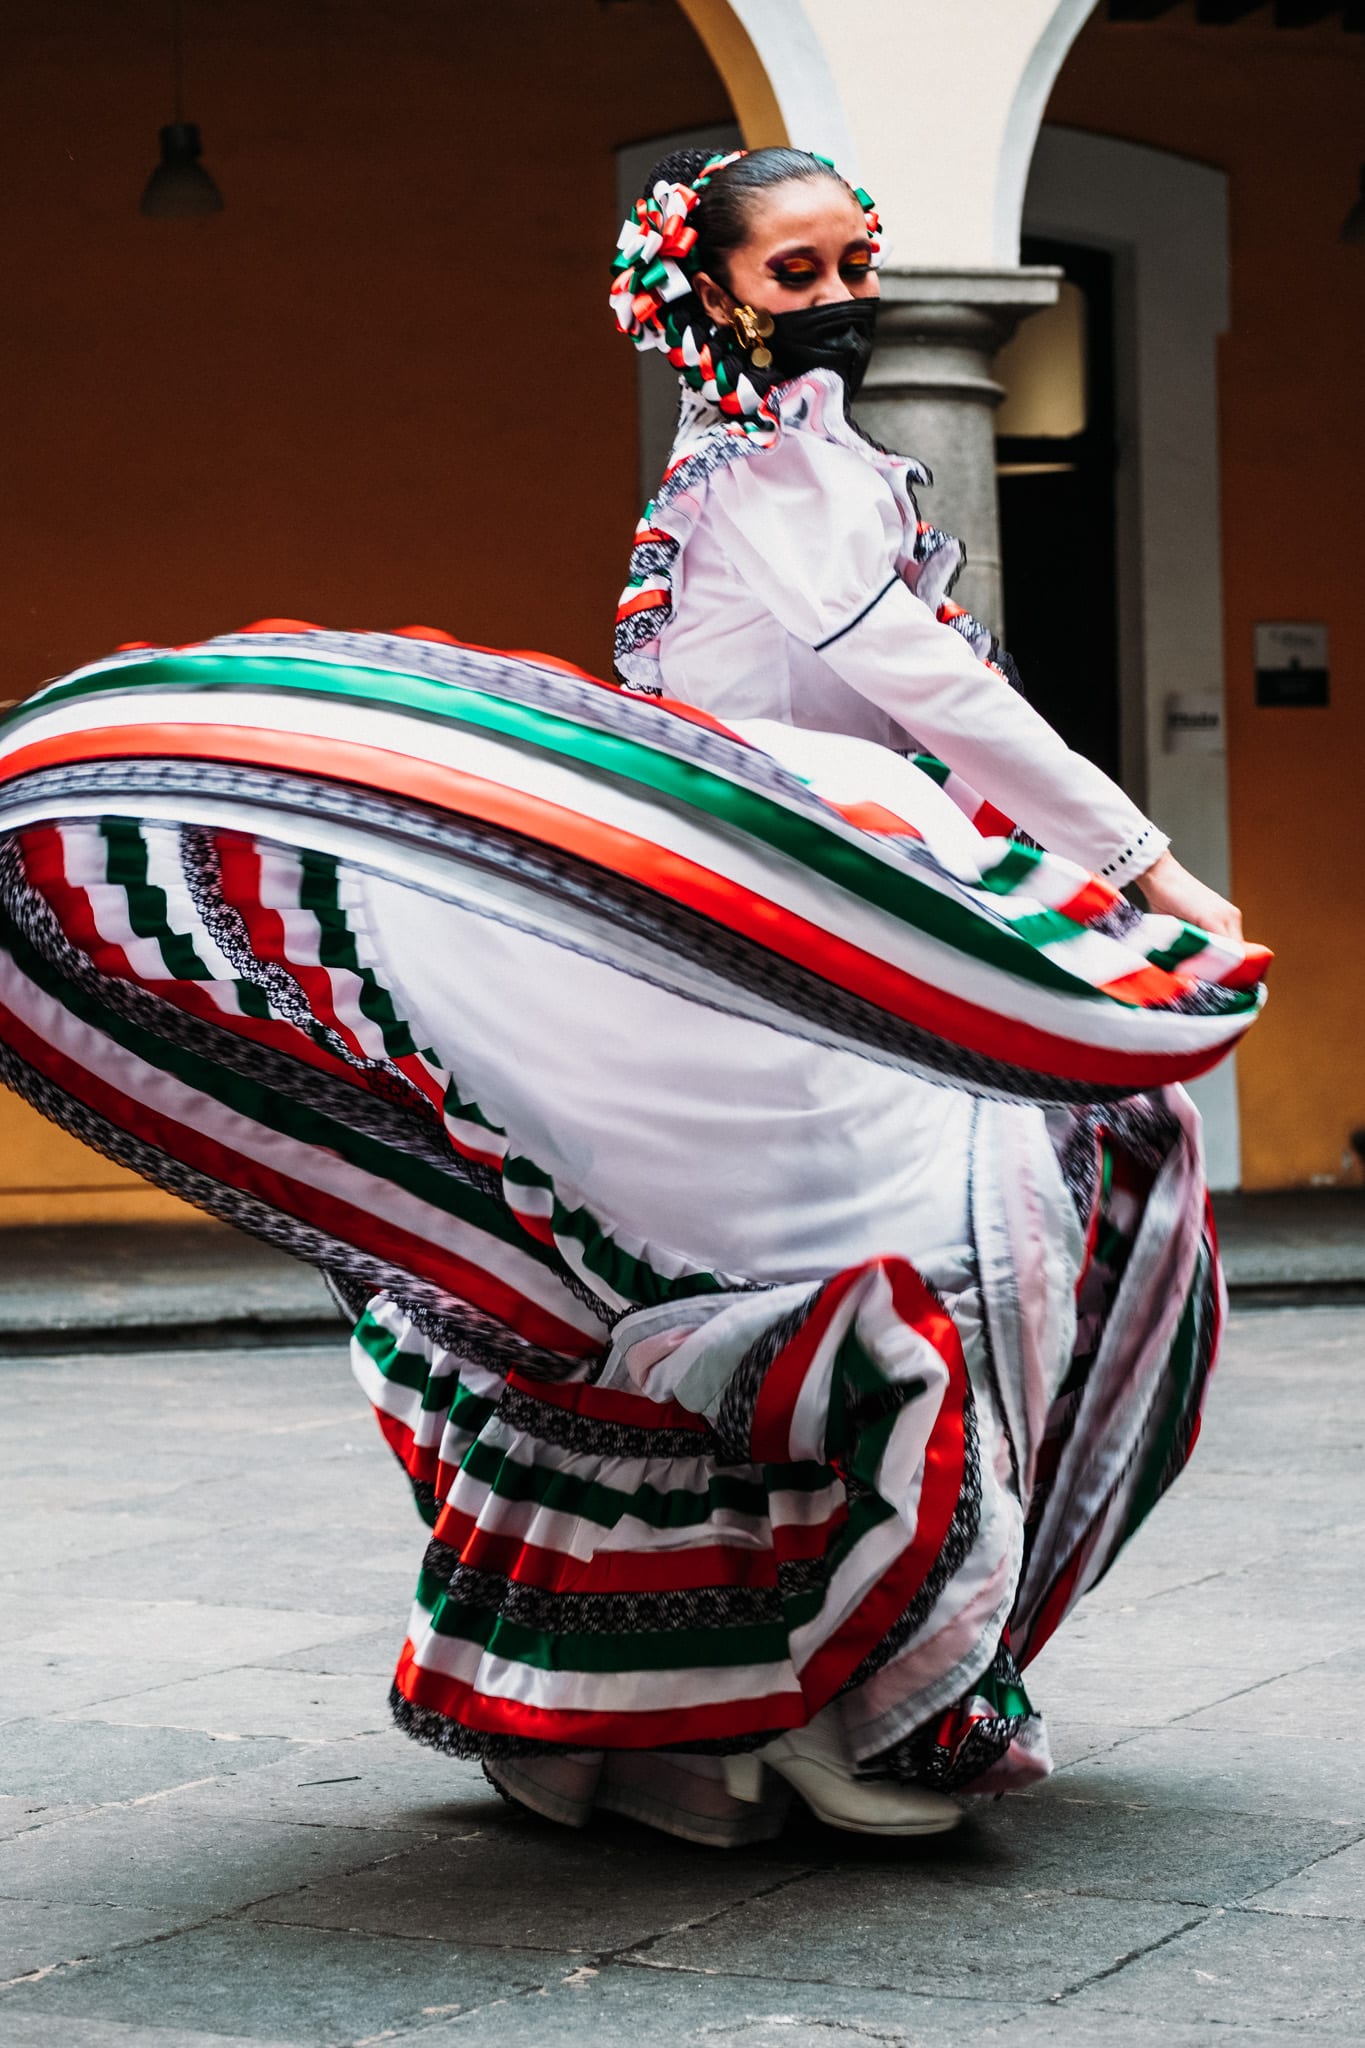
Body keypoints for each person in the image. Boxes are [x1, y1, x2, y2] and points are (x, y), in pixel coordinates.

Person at [0, 149, 1264, 1852]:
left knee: (906, 1259)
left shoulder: (784, 456)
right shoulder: (766, 477)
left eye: (853, 264)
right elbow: (922, 679)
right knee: (912, 1271)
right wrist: (1141, 861)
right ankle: (818, 1704)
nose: (841, 301)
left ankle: (752, 1708)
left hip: (814, 898)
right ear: (709, 293)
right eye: (796, 274)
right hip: (779, 920)